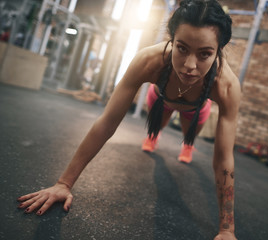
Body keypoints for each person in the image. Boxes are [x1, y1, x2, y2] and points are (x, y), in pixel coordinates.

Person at [17, 0, 241, 239]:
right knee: (156, 128)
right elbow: (107, 123)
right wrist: (64, 183)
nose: (189, 65)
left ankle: (187, 145)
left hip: (197, 108)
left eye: (205, 54)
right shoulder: (148, 61)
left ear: (218, 50)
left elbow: (223, 157)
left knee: (189, 139)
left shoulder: (226, 86)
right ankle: (154, 136)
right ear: (171, 40)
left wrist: (226, 229)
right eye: (182, 48)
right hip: (161, 97)